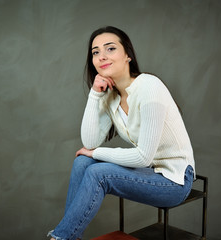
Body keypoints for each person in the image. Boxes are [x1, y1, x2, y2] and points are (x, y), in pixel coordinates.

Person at [47, 26, 195, 240]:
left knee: (98, 172)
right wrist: (94, 95)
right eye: (95, 52)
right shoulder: (111, 97)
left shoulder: (149, 86)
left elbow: (143, 157)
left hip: (175, 181)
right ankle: (69, 236)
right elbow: (89, 143)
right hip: (149, 173)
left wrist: (96, 154)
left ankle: (60, 238)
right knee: (82, 163)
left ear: (128, 55)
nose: (102, 56)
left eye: (110, 48)